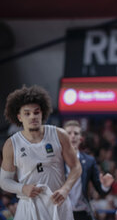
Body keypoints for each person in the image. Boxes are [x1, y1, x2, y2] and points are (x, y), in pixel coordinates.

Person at [0, 85, 82, 220]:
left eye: (36, 112)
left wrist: (66, 189)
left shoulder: (59, 134)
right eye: (27, 113)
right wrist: (22, 188)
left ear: (42, 113)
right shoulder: (11, 144)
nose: (33, 116)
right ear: (19, 117)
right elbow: (4, 181)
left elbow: (76, 167)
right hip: (29, 206)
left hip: (58, 203)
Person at [63, 120, 114, 220]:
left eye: (76, 133)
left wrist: (105, 186)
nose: (72, 136)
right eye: (69, 133)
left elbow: (100, 190)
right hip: (61, 212)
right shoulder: (56, 160)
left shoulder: (89, 161)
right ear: (63, 137)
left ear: (81, 138)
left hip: (82, 213)